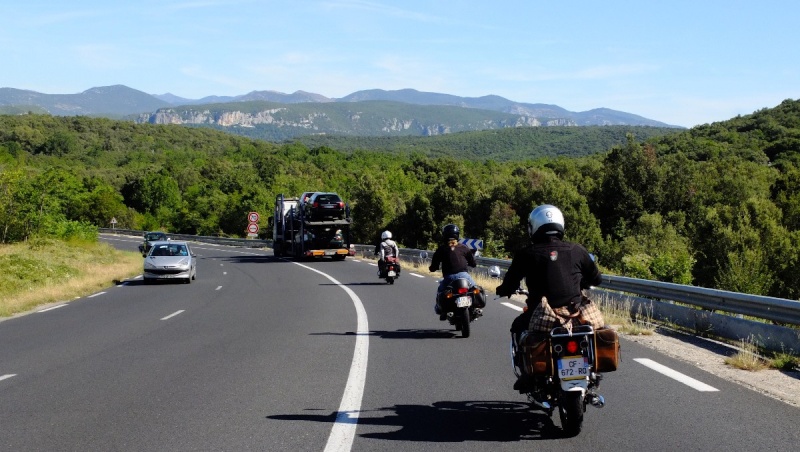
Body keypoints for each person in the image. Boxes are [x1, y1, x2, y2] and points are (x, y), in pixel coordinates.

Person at [494, 204, 602, 390]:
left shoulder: (526, 253)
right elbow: (596, 278)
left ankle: (527, 374)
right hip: (576, 314)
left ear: (534, 227)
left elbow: (510, 282)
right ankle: (593, 370)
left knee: (518, 327)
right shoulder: (577, 250)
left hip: (542, 314)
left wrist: (503, 290)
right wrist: (580, 281)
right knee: (595, 331)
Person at [429, 224, 477, 318]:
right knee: (475, 288)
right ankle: (475, 308)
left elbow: (434, 265)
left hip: (449, 277)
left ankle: (442, 311)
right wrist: (471, 264)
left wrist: (432, 268)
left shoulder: (441, 249)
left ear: (444, 235)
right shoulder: (464, 247)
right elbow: (473, 262)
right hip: (464, 276)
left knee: (440, 291)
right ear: (457, 235)